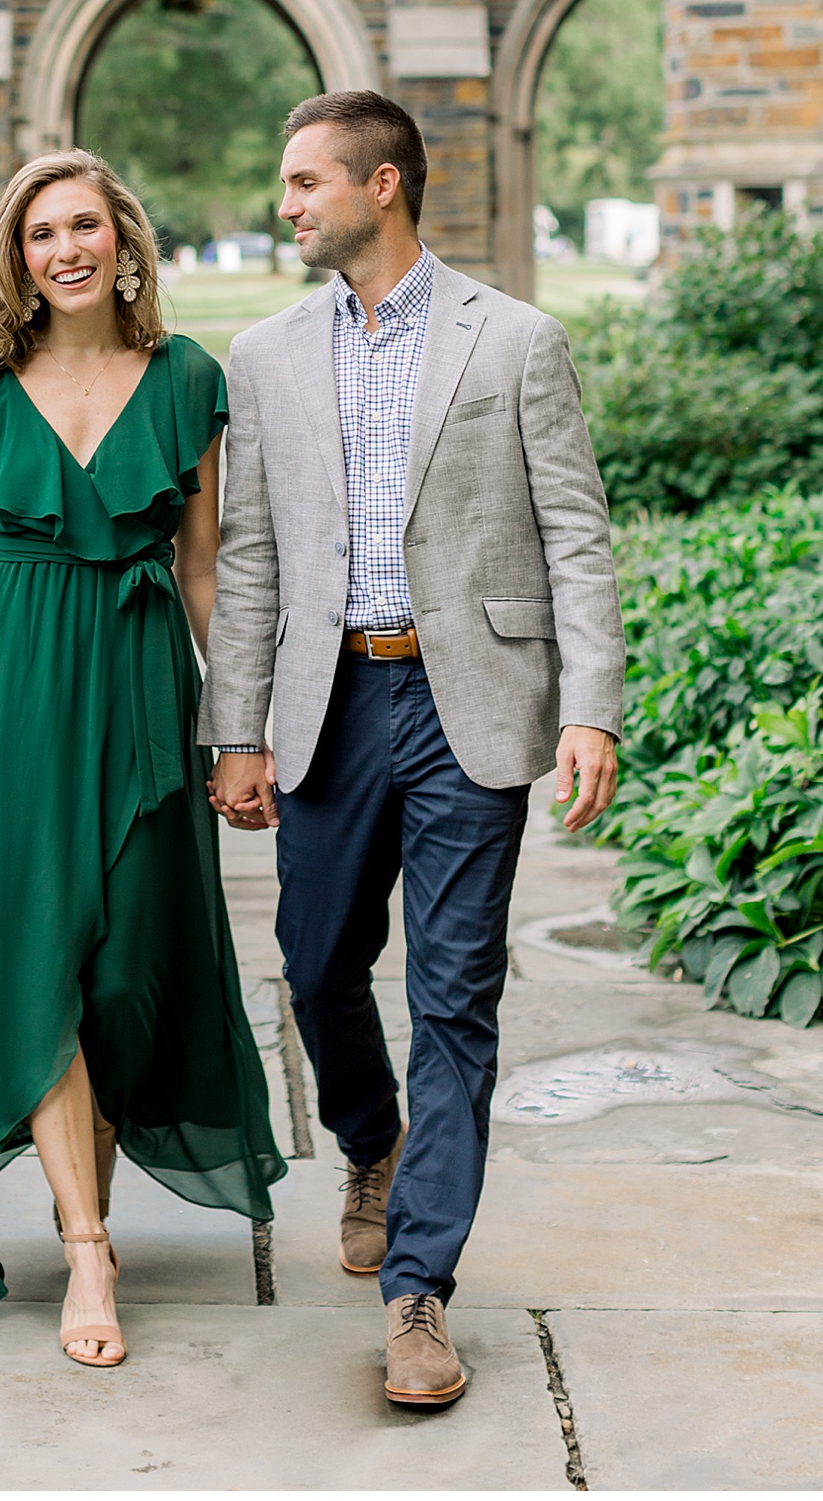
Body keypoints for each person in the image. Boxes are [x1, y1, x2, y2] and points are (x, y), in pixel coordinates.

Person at [200, 91, 623, 1409]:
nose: (286, 203)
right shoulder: (262, 356)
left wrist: (589, 703)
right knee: (318, 965)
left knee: (454, 994)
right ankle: (369, 1140)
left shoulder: (516, 340)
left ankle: (419, 1291)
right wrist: (237, 727)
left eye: (304, 180)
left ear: (384, 185)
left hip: (470, 705)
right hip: (332, 703)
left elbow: (575, 535)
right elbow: (254, 556)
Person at [0, 150, 285, 1368]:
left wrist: (238, 726)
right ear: (18, 252)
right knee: (37, 962)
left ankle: (74, 1200)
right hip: (8, 700)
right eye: (42, 231)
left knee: (120, 977)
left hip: (144, 689)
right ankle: (89, 1245)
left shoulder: (188, 376)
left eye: (85, 224)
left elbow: (204, 566)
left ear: (124, 238)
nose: (66, 248)